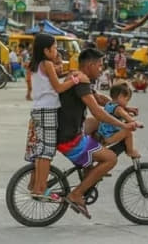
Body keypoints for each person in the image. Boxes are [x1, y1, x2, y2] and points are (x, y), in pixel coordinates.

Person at [57, 48, 139, 219]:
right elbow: (97, 111)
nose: (101, 69)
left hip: (69, 132)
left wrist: (123, 108)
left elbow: (100, 99)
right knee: (110, 158)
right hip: (70, 139)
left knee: (96, 126)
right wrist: (125, 125)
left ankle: (89, 170)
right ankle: (76, 194)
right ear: (90, 65)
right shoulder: (81, 81)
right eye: (100, 65)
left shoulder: (79, 78)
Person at [24, 34, 89, 201]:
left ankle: (37, 186)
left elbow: (52, 83)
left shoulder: (36, 64)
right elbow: (59, 88)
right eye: (53, 48)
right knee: (47, 152)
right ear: (45, 50)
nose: (55, 51)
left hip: (38, 110)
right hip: (48, 111)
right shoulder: (47, 64)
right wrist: (75, 79)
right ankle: (41, 188)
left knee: (41, 151)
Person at [95, 83, 141, 158]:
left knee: (124, 129)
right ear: (120, 97)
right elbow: (127, 117)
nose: (127, 103)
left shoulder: (108, 104)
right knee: (128, 132)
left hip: (102, 134)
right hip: (109, 137)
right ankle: (130, 151)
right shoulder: (118, 109)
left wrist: (128, 113)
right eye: (126, 100)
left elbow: (121, 114)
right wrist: (136, 123)